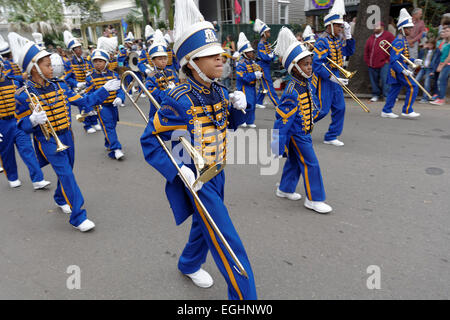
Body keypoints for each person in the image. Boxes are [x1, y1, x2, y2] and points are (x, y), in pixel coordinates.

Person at [140, 0, 257, 300]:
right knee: (227, 240)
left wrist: (240, 111)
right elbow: (149, 140)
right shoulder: (177, 99)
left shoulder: (217, 89)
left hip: (218, 170)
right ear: (191, 63)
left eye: (220, 54)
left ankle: (188, 262)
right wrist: (178, 169)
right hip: (197, 178)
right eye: (211, 56)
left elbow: (224, 126)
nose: (221, 59)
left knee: (203, 224)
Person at [10, 32, 121, 232]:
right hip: (48, 140)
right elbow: (21, 126)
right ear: (33, 68)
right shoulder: (23, 95)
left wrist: (104, 89)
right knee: (68, 175)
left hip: (67, 136)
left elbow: (85, 102)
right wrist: (32, 120)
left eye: (50, 64)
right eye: (47, 65)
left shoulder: (61, 86)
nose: (52, 68)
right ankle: (78, 216)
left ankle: (60, 197)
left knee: (67, 171)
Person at [272, 27, 332, 214]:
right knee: (311, 163)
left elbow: (311, 107)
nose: (310, 67)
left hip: (304, 131)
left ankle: (285, 188)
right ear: (295, 67)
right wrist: (277, 146)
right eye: (305, 64)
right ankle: (314, 199)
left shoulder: (304, 83)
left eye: (310, 63)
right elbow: (282, 121)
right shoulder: (292, 90)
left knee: (295, 162)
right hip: (298, 135)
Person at [0, 57, 51, 189]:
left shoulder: (14, 82)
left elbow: (23, 101)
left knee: (27, 149)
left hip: (17, 120)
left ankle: (37, 179)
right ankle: (12, 177)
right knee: (6, 152)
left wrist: (30, 117)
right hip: (1, 125)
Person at [311, 0, 355, 146]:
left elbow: (349, 51)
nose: (341, 28)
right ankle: (298, 126)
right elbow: (317, 64)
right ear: (329, 25)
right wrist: (332, 77)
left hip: (335, 75)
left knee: (340, 107)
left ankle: (331, 136)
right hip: (324, 78)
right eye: (338, 25)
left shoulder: (337, 40)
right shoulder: (322, 41)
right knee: (322, 110)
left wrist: (349, 36)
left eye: (341, 26)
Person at [85, 47, 125, 160]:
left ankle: (108, 143)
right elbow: (89, 95)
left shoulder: (113, 75)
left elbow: (120, 89)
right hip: (101, 107)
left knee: (112, 126)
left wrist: (120, 98)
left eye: (100, 61)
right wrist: (90, 108)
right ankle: (116, 148)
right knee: (109, 127)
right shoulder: (90, 78)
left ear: (106, 62)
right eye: (95, 61)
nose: (98, 64)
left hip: (113, 105)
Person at [381, 9, 422, 118]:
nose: (411, 30)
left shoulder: (402, 39)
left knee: (394, 90)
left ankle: (386, 110)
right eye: (408, 28)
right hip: (399, 69)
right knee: (413, 87)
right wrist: (404, 70)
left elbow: (404, 58)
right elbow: (394, 60)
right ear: (402, 29)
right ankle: (407, 110)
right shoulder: (399, 41)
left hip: (398, 69)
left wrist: (414, 61)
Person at [63, 31, 101, 133]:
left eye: (80, 48)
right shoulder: (69, 63)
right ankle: (87, 125)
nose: (79, 50)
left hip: (88, 86)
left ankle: (94, 122)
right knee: (83, 106)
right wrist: (76, 83)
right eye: (76, 49)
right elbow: (66, 78)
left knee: (93, 104)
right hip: (78, 88)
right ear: (73, 51)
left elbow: (91, 72)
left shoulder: (86, 60)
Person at [144, 30, 179, 117]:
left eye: (165, 58)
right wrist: (169, 91)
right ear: (153, 61)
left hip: (174, 109)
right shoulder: (151, 77)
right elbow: (156, 97)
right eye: (160, 59)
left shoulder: (171, 73)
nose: (163, 61)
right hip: (158, 112)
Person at [364, 21, 395, 102]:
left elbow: (393, 48)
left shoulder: (388, 36)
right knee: (374, 80)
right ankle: (376, 95)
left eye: (376, 26)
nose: (374, 28)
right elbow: (366, 50)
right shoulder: (371, 37)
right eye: (374, 26)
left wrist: (388, 60)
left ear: (382, 27)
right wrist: (367, 61)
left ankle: (386, 95)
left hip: (384, 63)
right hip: (372, 63)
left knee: (385, 79)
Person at [235, 32, 261, 128]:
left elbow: (255, 71)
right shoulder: (241, 63)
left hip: (252, 86)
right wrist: (254, 75)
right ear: (244, 53)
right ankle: (242, 120)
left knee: (253, 103)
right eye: (249, 52)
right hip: (244, 87)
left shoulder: (251, 62)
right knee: (245, 104)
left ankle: (250, 121)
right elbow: (242, 77)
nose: (251, 53)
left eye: (251, 52)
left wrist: (258, 73)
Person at [254, 18, 280, 108]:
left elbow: (271, 56)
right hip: (263, 67)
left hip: (266, 66)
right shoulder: (261, 44)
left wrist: (273, 55)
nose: (269, 33)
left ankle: (258, 102)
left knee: (263, 87)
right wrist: (271, 56)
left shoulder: (267, 43)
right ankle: (277, 103)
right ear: (264, 34)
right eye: (268, 32)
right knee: (269, 85)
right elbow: (265, 57)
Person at [430, 25, 450, 106]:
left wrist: (442, 65)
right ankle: (440, 97)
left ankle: (441, 99)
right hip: (443, 63)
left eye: (447, 31)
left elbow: (449, 56)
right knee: (441, 80)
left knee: (441, 81)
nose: (445, 33)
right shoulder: (445, 42)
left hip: (447, 64)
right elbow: (440, 52)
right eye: (444, 31)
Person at [416, 38, 440, 103]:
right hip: (423, 67)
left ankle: (425, 98)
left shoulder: (436, 51)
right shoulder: (425, 50)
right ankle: (413, 95)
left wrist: (433, 71)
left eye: (430, 45)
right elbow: (419, 56)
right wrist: (423, 48)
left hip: (430, 69)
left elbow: (436, 62)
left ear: (433, 45)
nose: (429, 46)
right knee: (416, 80)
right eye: (428, 44)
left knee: (427, 83)